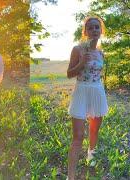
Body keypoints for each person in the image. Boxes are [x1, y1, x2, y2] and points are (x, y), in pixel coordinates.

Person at [66, 16, 108, 179]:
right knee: (77, 137)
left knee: (94, 129)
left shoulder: (101, 52)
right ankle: (71, 176)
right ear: (85, 31)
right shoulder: (78, 49)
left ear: (101, 31)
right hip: (81, 92)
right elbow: (69, 74)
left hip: (97, 92)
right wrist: (82, 62)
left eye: (97, 27)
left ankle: (91, 154)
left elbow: (97, 75)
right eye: (90, 28)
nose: (94, 30)